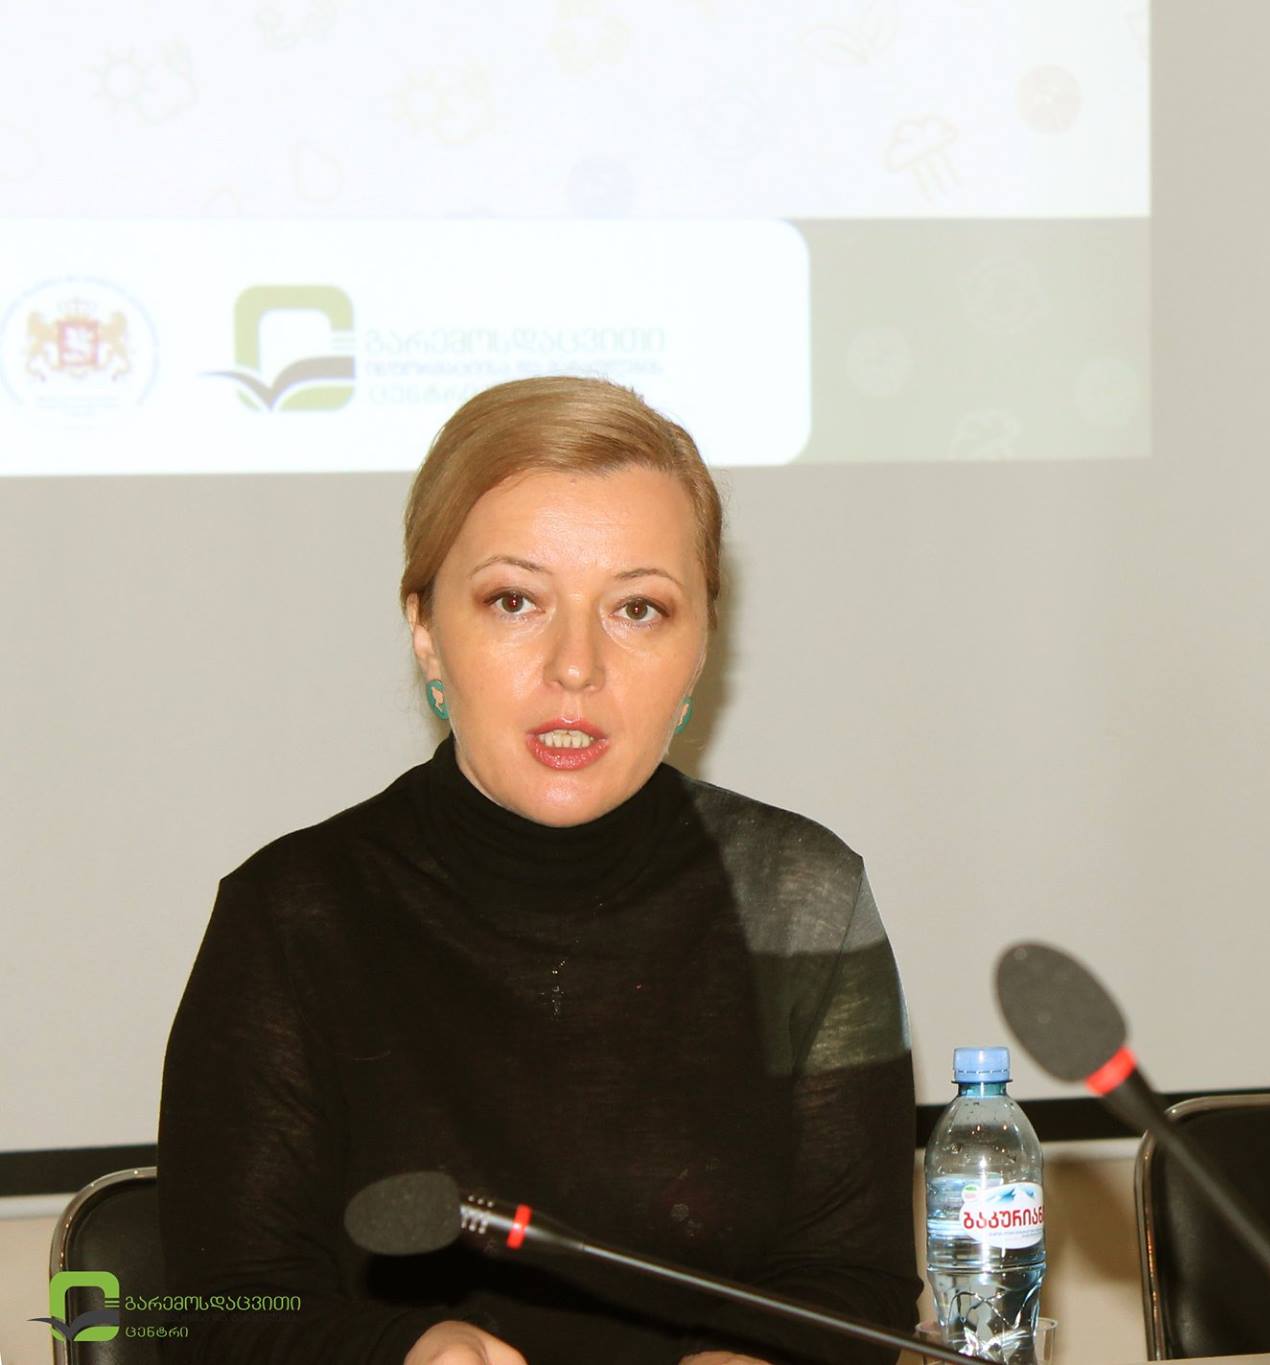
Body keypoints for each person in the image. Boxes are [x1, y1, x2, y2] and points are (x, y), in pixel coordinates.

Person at [156, 376, 920, 1365]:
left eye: (638, 608)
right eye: (514, 600)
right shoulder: (294, 915)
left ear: (701, 645)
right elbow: (220, 1313)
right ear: (426, 629)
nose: (576, 665)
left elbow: (855, 1284)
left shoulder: (803, 897)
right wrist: (403, 1352)